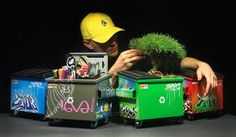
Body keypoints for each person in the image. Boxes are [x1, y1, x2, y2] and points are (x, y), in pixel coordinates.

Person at [80, 12, 217, 96]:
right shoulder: (82, 65)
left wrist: (200, 64)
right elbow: (87, 103)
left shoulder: (130, 54)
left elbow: (173, 61)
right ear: (88, 44)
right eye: (104, 39)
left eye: (113, 35)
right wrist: (114, 72)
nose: (113, 42)